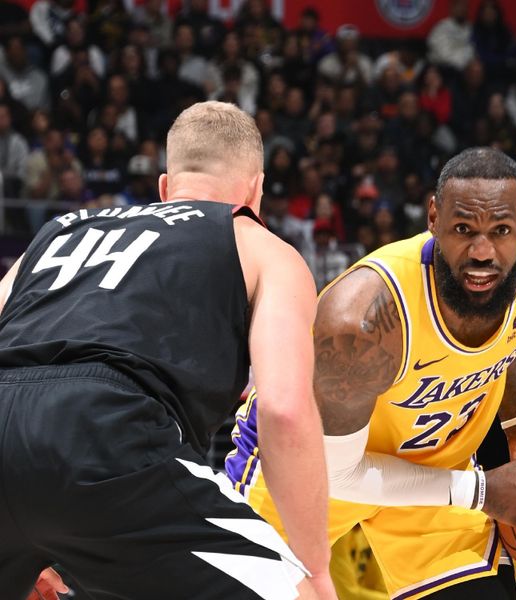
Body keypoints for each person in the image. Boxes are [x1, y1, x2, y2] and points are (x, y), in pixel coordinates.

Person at [227, 147, 516, 598]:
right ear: (433, 218)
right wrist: (482, 492)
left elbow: (510, 332)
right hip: (312, 472)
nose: (482, 252)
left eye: (500, 231)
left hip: (438, 471)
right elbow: (341, 475)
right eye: (463, 230)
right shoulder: (364, 321)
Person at [0, 101, 334, 599]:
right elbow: (283, 409)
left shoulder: (57, 233)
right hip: (108, 434)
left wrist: (30, 530)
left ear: (164, 188)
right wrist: (316, 568)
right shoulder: (260, 246)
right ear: (256, 190)